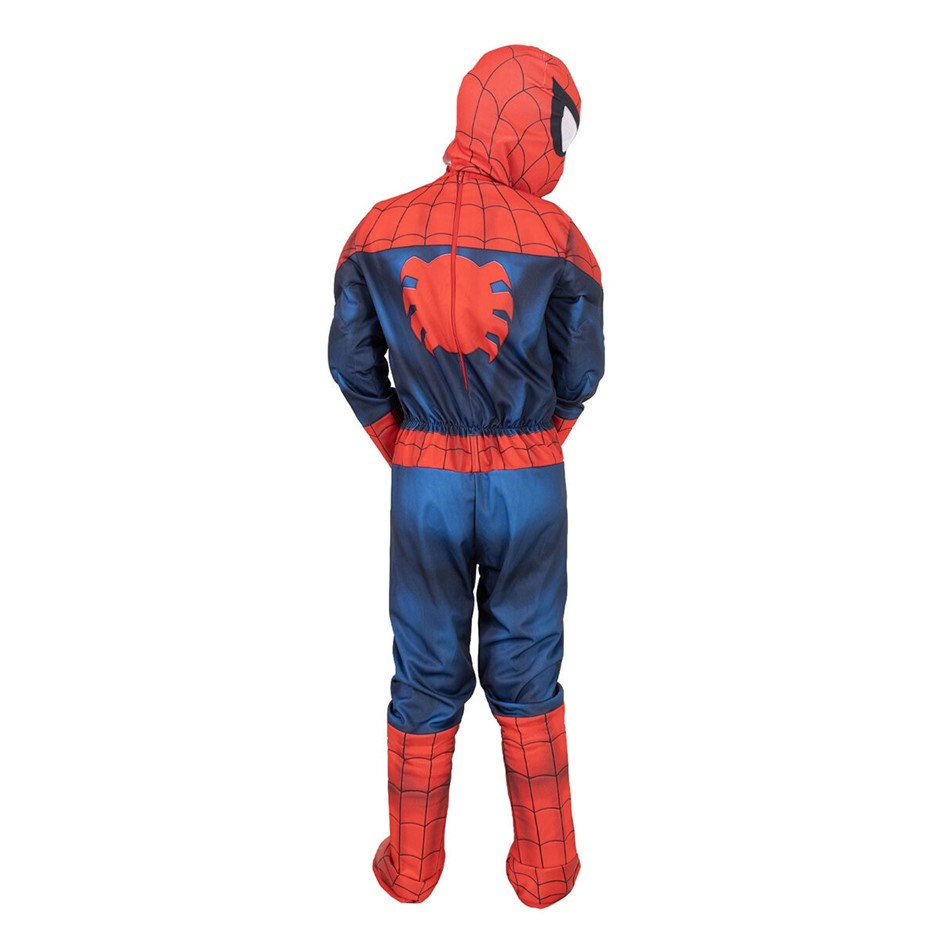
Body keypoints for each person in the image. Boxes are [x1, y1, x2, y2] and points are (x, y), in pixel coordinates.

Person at [328, 44, 604, 908]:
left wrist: (404, 440)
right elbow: (583, 368)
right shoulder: (560, 239)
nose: (559, 152)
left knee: (423, 668)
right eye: (559, 130)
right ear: (524, 120)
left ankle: (413, 867)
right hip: (531, 481)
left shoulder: (377, 229)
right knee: (529, 668)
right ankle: (548, 867)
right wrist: (540, 437)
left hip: (425, 483)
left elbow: (350, 361)